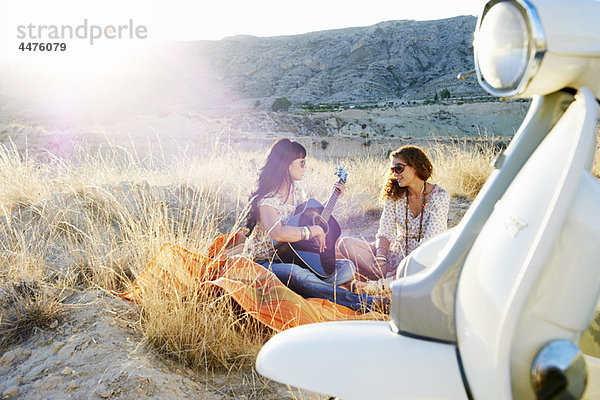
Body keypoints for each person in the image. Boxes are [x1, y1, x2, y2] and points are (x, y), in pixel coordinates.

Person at [243, 138, 388, 312]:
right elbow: (279, 234)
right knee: (297, 274)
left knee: (347, 268)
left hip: (294, 256)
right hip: (266, 261)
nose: (305, 167)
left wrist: (334, 198)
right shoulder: (267, 200)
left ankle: (311, 286)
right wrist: (313, 231)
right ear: (287, 165)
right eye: (302, 162)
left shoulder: (297, 191)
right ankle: (366, 302)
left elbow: (304, 219)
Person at [338, 145, 450, 294]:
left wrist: (404, 266)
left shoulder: (440, 196)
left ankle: (379, 286)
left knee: (426, 266)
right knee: (345, 244)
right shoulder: (395, 194)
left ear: (415, 166)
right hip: (395, 253)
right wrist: (381, 259)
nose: (395, 174)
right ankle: (393, 280)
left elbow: (431, 240)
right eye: (392, 170)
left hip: (420, 257)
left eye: (398, 168)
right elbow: (385, 230)